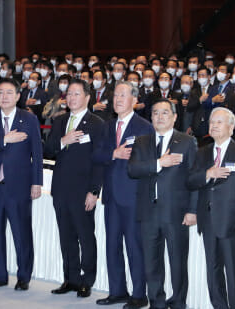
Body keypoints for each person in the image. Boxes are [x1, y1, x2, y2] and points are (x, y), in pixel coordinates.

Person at [128, 99, 197, 309]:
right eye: (156, 112)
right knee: (151, 263)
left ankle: (178, 303)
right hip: (148, 212)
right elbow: (132, 170)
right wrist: (159, 163)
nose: (159, 117)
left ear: (175, 117)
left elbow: (193, 177)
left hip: (176, 213)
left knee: (177, 262)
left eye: (165, 113)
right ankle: (156, 302)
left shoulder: (187, 141)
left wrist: (192, 210)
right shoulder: (141, 141)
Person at [187, 107, 235, 309]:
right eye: (212, 122)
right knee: (213, 270)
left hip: (233, 222)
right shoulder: (202, 152)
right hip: (208, 220)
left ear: (231, 127)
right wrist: (208, 174)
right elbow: (191, 181)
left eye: (219, 122)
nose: (214, 125)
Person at [0, 78, 43, 290]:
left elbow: (37, 153)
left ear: (17, 96)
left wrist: (36, 183)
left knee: (21, 233)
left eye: (8, 93)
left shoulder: (28, 119)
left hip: (19, 186)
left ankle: (24, 277)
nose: (3, 97)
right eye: (0, 93)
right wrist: (4, 139)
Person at [93, 81, 153, 308]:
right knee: (112, 245)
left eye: (122, 95)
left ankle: (139, 294)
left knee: (135, 246)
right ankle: (117, 290)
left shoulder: (144, 127)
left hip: (134, 196)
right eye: (115, 95)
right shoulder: (107, 126)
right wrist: (114, 153)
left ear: (134, 101)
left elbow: (147, 161)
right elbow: (97, 155)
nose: (117, 99)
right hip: (111, 196)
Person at [44, 79, 104, 298]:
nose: (71, 98)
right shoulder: (59, 121)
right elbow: (48, 150)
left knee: (85, 236)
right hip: (60, 188)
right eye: (68, 94)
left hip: (83, 190)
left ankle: (87, 280)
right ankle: (70, 278)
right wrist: (63, 140)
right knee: (66, 235)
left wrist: (94, 191)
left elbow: (99, 161)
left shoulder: (96, 123)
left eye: (76, 94)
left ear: (87, 97)